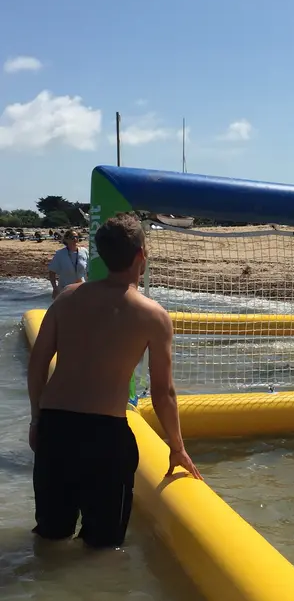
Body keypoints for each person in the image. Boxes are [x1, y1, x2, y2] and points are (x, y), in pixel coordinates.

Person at [26, 213, 200, 549]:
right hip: (105, 438)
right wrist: (177, 448)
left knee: (49, 537)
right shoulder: (153, 315)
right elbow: (163, 392)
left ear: (101, 256)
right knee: (103, 549)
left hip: (55, 429)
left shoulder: (67, 299)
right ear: (141, 256)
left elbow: (37, 364)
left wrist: (36, 418)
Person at [47, 229, 86, 296]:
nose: (75, 239)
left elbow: (89, 271)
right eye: (72, 237)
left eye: (77, 237)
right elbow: (52, 272)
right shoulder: (60, 254)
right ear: (66, 240)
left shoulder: (84, 251)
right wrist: (55, 288)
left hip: (81, 290)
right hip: (65, 291)